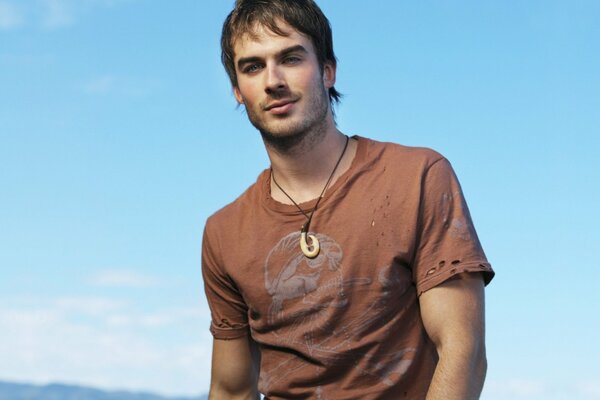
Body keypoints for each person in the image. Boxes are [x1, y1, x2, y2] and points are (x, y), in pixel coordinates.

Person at [202, 0, 495, 398]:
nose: (273, 81)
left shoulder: (418, 177)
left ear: (327, 71)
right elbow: (231, 389)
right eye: (253, 67)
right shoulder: (223, 233)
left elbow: (463, 352)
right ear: (238, 90)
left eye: (290, 58)